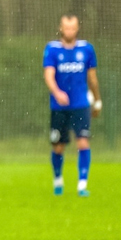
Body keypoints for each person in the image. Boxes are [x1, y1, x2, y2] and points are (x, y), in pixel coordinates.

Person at [43, 15, 101, 197]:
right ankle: (58, 179)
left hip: (80, 105)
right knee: (58, 146)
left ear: (77, 28)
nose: (69, 31)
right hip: (59, 107)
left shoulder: (86, 49)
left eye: (72, 27)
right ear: (61, 28)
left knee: (83, 141)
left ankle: (82, 185)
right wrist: (57, 92)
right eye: (66, 27)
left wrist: (97, 100)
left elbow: (92, 78)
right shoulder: (52, 49)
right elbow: (48, 75)